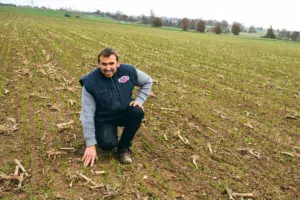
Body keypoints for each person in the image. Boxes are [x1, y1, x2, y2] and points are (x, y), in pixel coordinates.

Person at [79, 48, 152, 166]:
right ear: (98, 64)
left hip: (123, 112)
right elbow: (87, 114)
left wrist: (140, 100)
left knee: (137, 112)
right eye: (104, 64)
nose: (108, 68)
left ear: (118, 63)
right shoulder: (90, 83)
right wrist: (90, 145)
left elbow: (147, 81)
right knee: (107, 145)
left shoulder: (128, 71)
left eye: (111, 63)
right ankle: (106, 134)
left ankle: (124, 148)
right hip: (104, 119)